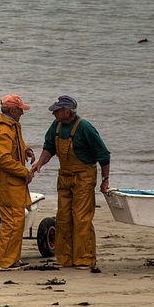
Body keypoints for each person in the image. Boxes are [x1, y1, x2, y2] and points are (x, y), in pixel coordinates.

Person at [29, 95, 110, 271]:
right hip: (64, 176)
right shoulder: (56, 125)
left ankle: (85, 259)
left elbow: (104, 155)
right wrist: (40, 163)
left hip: (84, 176)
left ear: (67, 112)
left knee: (81, 218)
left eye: (56, 111)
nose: (53, 114)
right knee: (63, 218)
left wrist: (105, 180)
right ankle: (65, 258)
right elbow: (49, 147)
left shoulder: (85, 128)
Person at [0, 94, 36, 271]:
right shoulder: (4, 129)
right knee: (12, 222)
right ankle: (3, 262)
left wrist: (25, 150)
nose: (22, 114)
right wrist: (24, 171)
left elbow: (13, 146)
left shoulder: (11, 126)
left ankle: (11, 260)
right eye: (20, 110)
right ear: (12, 110)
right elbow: (2, 158)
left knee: (16, 221)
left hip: (12, 184)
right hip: (7, 185)